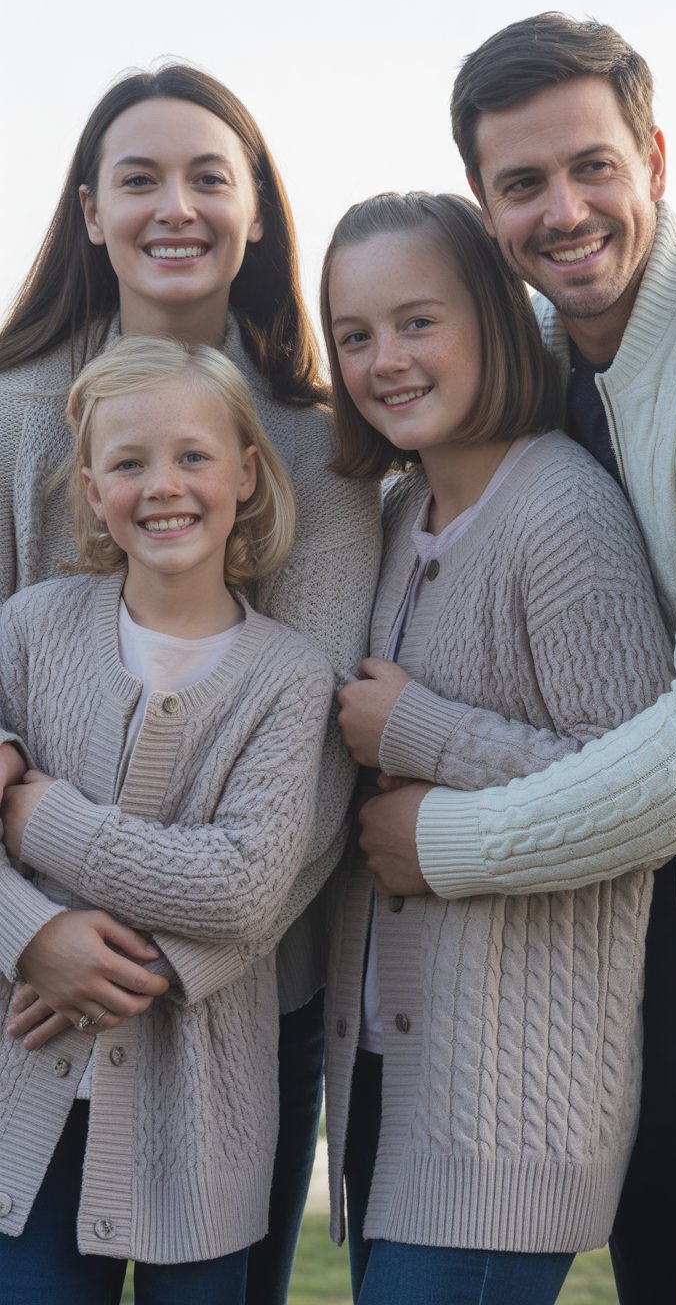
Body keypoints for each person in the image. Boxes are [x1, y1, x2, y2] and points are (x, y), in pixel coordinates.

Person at [357, 14, 676, 1305]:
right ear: (487, 210)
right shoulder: (535, 366)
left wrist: (447, 842)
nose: (566, 209)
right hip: (656, 980)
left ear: (654, 156)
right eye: (523, 183)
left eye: (594, 165)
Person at [0, 64, 380, 1303]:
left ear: (258, 210)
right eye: (140, 178)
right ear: (91, 209)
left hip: (240, 998)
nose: (177, 207)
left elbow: (313, 787)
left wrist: (153, 964)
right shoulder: (13, 417)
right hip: (20, 1004)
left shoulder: (320, 456)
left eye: (211, 177)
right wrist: (30, 937)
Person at [319, 190, 673, 1305]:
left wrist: (421, 732)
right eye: (356, 334)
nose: (386, 361)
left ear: (492, 316)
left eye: (418, 322)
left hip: (504, 1110)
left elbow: (638, 798)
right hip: (378, 1078)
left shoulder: (564, 511)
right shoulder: (388, 522)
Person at [0, 335, 335, 1302]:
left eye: (193, 456)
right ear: (94, 487)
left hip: (200, 1126)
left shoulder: (288, 675)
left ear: (246, 472)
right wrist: (30, 935)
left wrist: (37, 820)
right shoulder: (29, 628)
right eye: (129, 463)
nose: (165, 486)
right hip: (26, 1095)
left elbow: (238, 888)